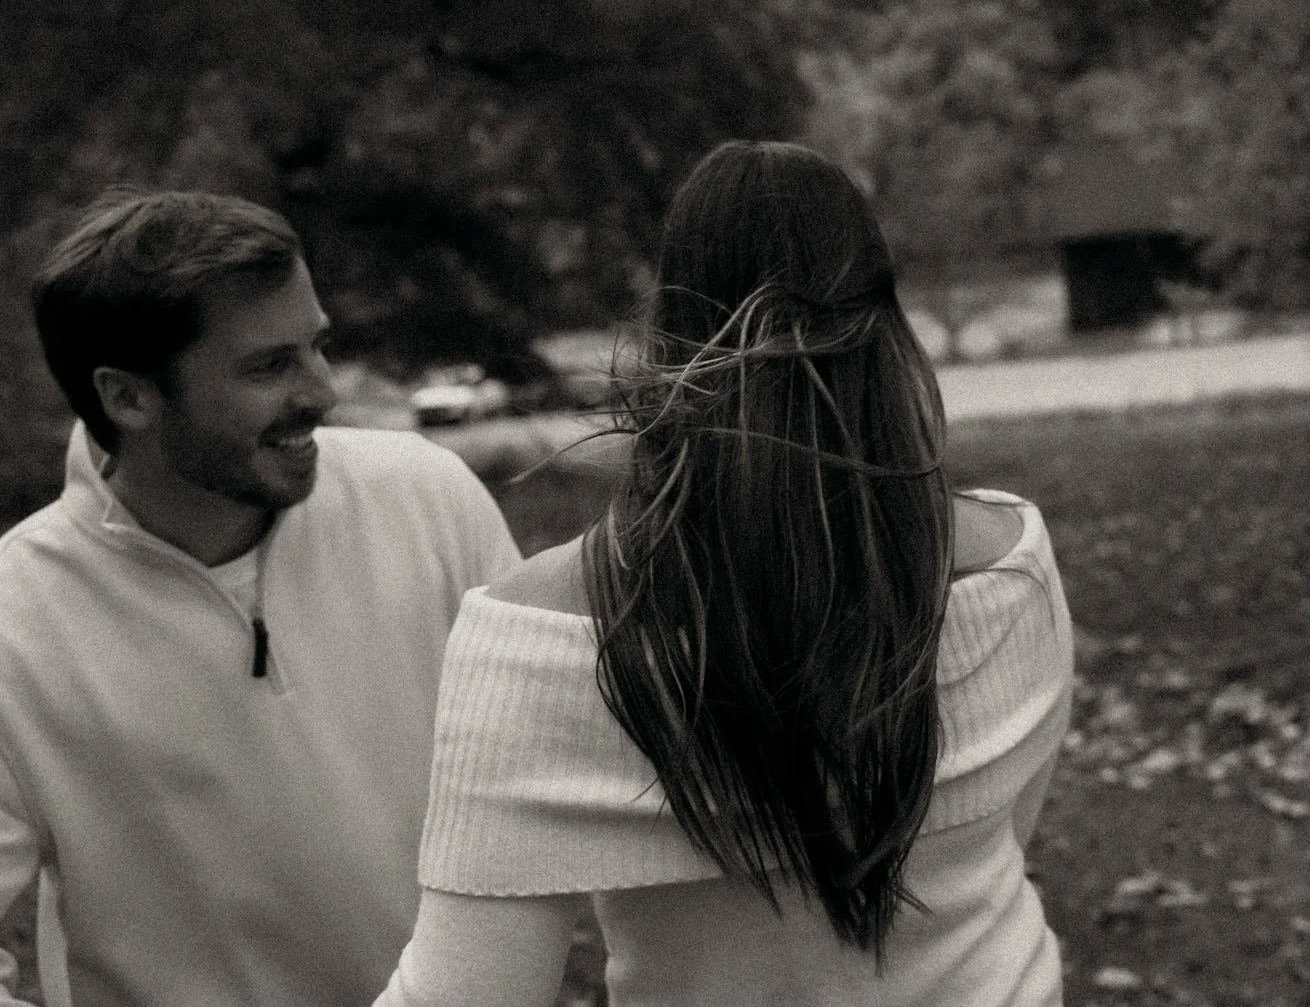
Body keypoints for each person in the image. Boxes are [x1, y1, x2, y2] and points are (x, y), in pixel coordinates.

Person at [376, 141, 1073, 1006]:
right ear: (885, 328)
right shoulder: (1012, 559)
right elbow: (1007, 827)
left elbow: (465, 993)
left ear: (668, 336)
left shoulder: (536, 640)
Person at [0, 190, 522, 1007]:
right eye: (268, 366)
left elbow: (544, 790)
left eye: (317, 346)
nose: (322, 392)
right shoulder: (15, 619)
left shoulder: (428, 497)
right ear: (128, 397)